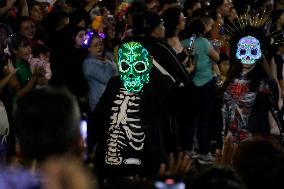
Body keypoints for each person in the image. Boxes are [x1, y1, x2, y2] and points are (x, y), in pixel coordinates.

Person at [88, 38, 180, 184]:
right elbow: (98, 118)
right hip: (112, 170)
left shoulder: (160, 85)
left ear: (149, 63)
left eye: (138, 66)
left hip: (146, 170)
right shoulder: (114, 84)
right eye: (125, 66)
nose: (130, 74)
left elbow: (175, 117)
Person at [222, 26, 284, 144]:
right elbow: (225, 110)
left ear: (258, 54)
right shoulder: (231, 81)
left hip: (256, 139)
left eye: (253, 51)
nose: (248, 56)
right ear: (238, 52)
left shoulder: (266, 83)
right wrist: (224, 135)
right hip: (233, 138)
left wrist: (282, 132)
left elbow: (275, 110)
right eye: (244, 51)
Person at [83, 31, 117, 112]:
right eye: (95, 45)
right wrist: (109, 62)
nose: (99, 47)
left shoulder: (107, 56)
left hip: (112, 102)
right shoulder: (88, 64)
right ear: (89, 48)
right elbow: (107, 78)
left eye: (101, 44)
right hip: (99, 105)